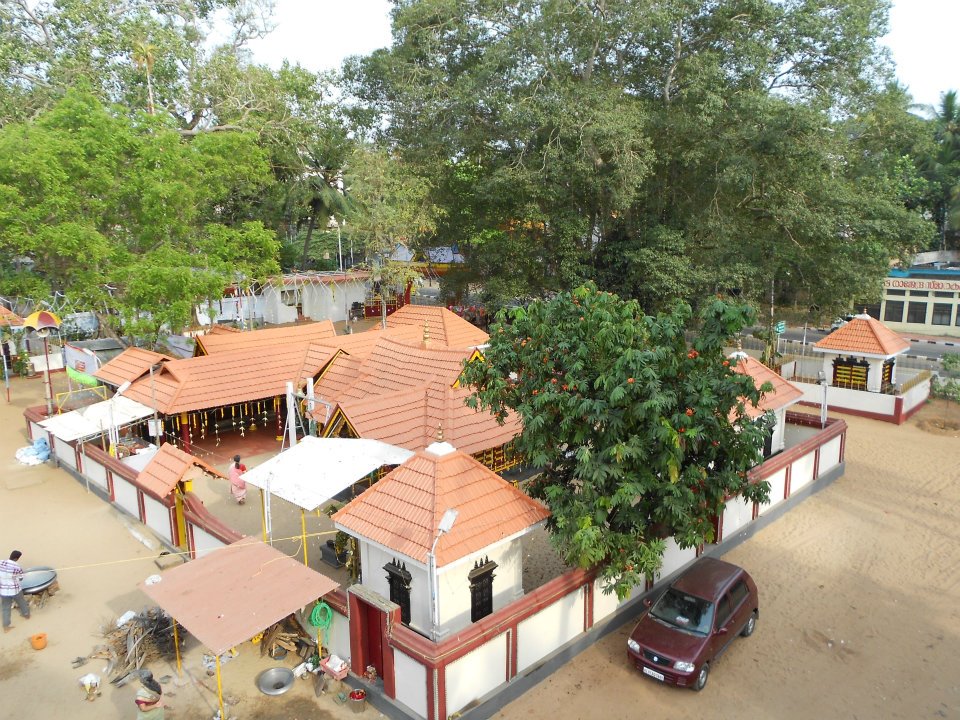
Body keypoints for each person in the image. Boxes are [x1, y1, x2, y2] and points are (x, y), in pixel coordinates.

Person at [0, 550, 30, 633]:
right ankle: (26, 615)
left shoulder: (1, 562)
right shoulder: (17, 567)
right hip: (15, 590)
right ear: (17, 558)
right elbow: (21, 578)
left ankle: (6, 627)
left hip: (3, 591)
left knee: (5, 608)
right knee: (22, 602)